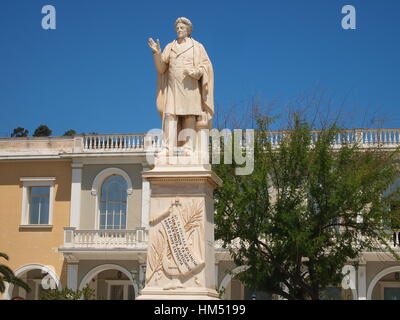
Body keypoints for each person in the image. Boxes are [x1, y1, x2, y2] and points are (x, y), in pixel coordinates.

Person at [148, 17, 214, 157]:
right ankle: (167, 148)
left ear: (188, 30)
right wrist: (156, 53)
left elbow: (205, 66)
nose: (179, 30)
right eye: (177, 28)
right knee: (170, 116)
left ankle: (188, 147)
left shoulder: (197, 46)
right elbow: (161, 69)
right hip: (173, 87)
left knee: (189, 115)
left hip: (190, 86)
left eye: (182, 27)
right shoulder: (170, 47)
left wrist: (196, 72)